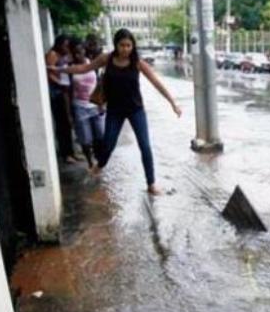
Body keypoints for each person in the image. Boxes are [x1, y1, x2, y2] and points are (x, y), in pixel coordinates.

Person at [51, 29, 182, 195]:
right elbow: (84, 68)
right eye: (122, 45)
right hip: (115, 110)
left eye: (129, 45)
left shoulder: (137, 62)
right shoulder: (107, 59)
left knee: (145, 146)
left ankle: (151, 184)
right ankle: (100, 165)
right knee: (108, 144)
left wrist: (172, 103)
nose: (125, 49)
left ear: (133, 45)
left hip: (136, 110)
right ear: (116, 45)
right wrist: (60, 70)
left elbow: (156, 83)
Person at [69, 40, 105, 169]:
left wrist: (102, 104)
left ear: (85, 51)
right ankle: (90, 163)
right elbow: (68, 91)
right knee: (85, 138)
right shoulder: (71, 68)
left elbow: (100, 85)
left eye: (81, 51)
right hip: (79, 107)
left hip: (95, 106)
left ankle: (99, 159)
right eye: (76, 53)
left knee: (100, 135)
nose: (79, 55)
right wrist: (69, 112)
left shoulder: (93, 65)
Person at [45, 34, 79, 163]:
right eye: (65, 45)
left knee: (68, 122)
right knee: (62, 122)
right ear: (59, 44)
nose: (67, 47)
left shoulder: (64, 55)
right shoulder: (52, 54)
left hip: (65, 91)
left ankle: (70, 151)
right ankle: (66, 153)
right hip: (57, 93)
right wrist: (59, 83)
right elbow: (48, 72)